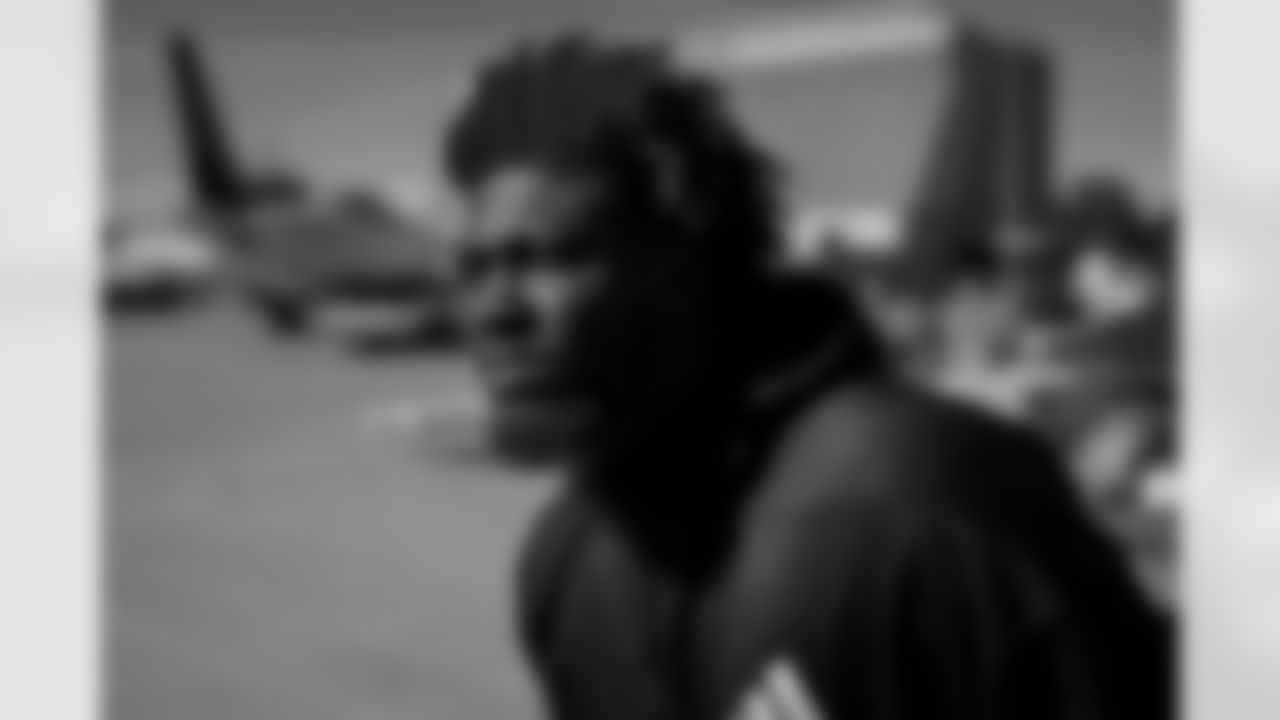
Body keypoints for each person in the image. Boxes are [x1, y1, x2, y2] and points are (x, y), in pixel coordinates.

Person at [444, 35, 1172, 720]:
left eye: (552, 260)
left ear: (692, 256)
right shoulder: (567, 559)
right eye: (475, 269)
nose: (495, 311)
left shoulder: (931, 500)